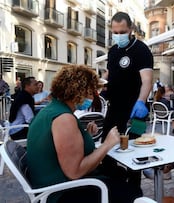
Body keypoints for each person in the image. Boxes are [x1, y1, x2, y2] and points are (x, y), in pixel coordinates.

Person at [26, 65, 142, 203]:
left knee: (118, 173)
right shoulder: (64, 118)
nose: (93, 97)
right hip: (60, 194)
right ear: (78, 92)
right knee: (133, 192)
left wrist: (85, 134)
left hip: (55, 185)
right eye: (91, 92)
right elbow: (75, 172)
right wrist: (107, 144)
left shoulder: (53, 110)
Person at [103, 11, 153, 188]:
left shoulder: (141, 49)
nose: (118, 35)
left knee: (136, 153)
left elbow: (147, 80)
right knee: (107, 149)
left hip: (135, 110)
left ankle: (134, 191)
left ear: (131, 29)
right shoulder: (112, 51)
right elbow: (110, 74)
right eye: (115, 32)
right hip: (114, 108)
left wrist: (141, 100)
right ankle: (112, 188)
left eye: (122, 32)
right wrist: (99, 84)